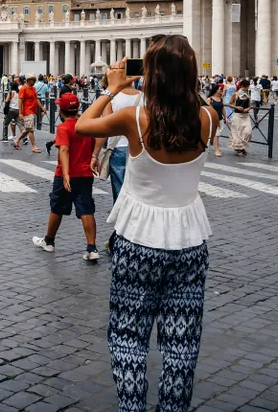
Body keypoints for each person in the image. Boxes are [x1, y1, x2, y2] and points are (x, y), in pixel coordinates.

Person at [71, 39, 216, 412]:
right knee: (182, 343)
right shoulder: (208, 116)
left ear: (151, 74)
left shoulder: (135, 117)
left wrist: (111, 89)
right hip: (189, 240)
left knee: (128, 335)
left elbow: (83, 126)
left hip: (138, 239)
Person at [33, 92, 99, 261]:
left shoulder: (63, 128)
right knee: (86, 209)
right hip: (85, 173)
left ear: (61, 111)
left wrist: (65, 174)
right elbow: (94, 143)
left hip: (66, 174)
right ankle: (92, 248)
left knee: (57, 207)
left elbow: (64, 149)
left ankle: (49, 241)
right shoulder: (85, 126)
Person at [96, 75, 144, 203]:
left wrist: (94, 155)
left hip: (118, 149)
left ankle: (123, 219)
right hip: (141, 148)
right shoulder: (144, 97)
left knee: (120, 192)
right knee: (139, 191)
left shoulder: (111, 98)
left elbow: (104, 128)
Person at [14, 77, 41, 153]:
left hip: (32, 111)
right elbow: (20, 101)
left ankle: (17, 140)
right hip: (27, 111)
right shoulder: (23, 89)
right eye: (33, 80)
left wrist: (42, 107)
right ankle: (34, 146)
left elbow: (36, 99)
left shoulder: (33, 89)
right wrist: (20, 113)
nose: (35, 82)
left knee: (28, 128)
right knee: (31, 130)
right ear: (29, 81)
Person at [227, 80, 251, 156]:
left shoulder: (247, 95)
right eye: (245, 87)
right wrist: (236, 107)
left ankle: (242, 147)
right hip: (237, 115)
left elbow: (250, 105)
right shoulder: (235, 94)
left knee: (248, 132)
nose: (246, 88)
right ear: (241, 86)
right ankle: (240, 149)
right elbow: (230, 104)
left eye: (247, 87)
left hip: (246, 116)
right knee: (238, 133)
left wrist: (248, 109)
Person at [1, 78, 20, 143]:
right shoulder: (19, 92)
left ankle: (5, 138)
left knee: (5, 123)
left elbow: (6, 100)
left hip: (11, 109)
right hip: (18, 109)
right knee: (20, 124)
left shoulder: (11, 92)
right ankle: (24, 137)